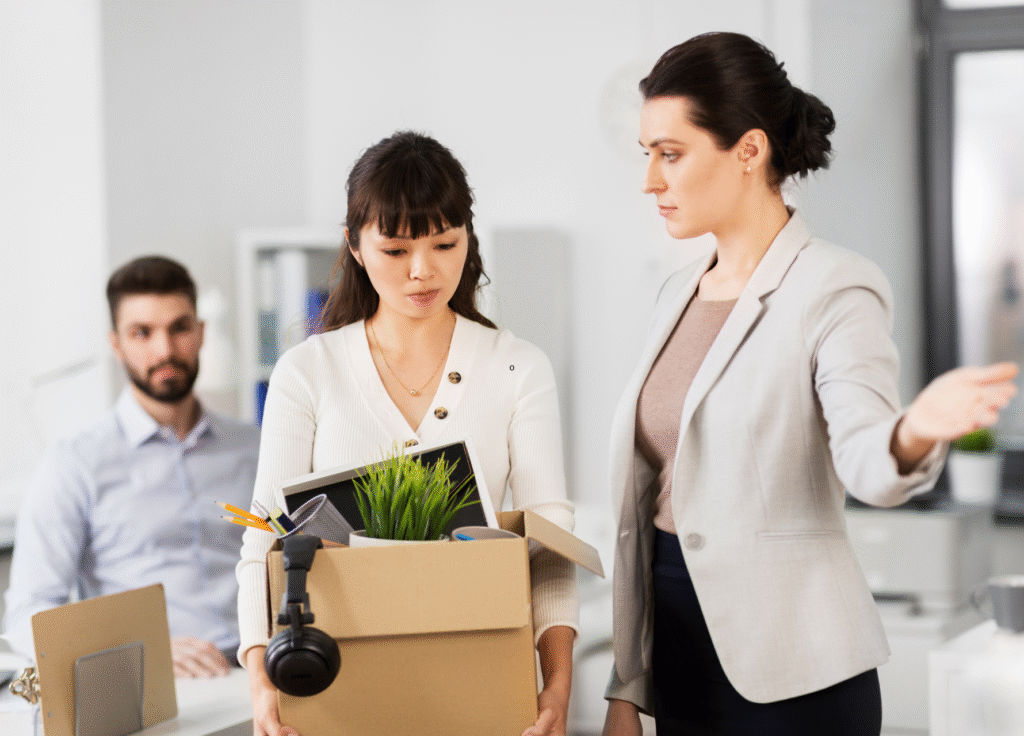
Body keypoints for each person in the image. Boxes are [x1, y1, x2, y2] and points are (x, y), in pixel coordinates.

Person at [600, 32, 1019, 736]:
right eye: (648, 155)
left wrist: (914, 431)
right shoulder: (675, 293)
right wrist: (627, 687)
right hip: (677, 660)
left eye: (670, 154)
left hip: (793, 677)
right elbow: (647, 500)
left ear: (749, 151)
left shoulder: (836, 287)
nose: (650, 180)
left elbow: (866, 460)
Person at [236, 131, 578, 736]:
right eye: (395, 250)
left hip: (482, 683)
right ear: (355, 247)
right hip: (340, 688)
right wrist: (263, 688)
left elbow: (549, 546)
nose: (423, 271)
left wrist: (557, 686)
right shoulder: (308, 372)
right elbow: (262, 539)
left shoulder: (518, 368)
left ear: (468, 239)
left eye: (445, 244)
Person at [2, 256, 260, 678]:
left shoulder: (256, 446)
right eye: (142, 333)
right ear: (116, 344)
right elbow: (28, 614)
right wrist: (139, 648)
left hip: (264, 673)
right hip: (148, 680)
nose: (165, 350)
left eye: (179, 328)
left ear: (200, 333)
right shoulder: (75, 463)